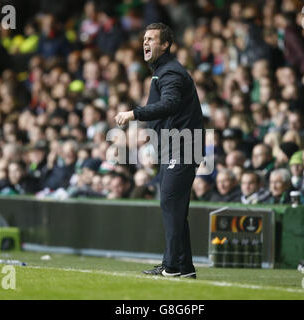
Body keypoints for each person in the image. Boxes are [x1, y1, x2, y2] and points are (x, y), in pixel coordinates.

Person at [114, 23, 204, 279]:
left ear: (165, 45)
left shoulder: (171, 72)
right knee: (174, 207)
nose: (145, 43)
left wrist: (134, 114)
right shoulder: (162, 72)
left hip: (183, 146)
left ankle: (172, 266)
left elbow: (170, 104)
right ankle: (182, 266)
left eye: (151, 39)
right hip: (175, 146)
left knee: (170, 204)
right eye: (144, 38)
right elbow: (168, 109)